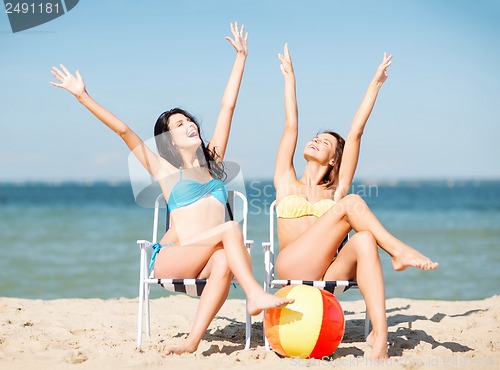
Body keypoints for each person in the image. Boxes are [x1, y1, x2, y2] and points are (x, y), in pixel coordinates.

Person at [50, 23, 293, 356]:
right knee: (228, 228)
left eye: (189, 120)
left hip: (207, 257)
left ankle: (192, 341)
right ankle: (254, 294)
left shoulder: (212, 162)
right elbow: (124, 131)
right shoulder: (165, 170)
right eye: (179, 124)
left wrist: (241, 58)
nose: (190, 124)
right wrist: (82, 96)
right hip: (173, 259)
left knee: (225, 259)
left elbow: (227, 108)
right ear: (169, 140)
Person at [273, 44, 439, 360]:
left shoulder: (337, 190)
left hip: (329, 272)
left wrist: (375, 83)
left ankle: (380, 339)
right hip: (292, 265)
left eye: (323, 142)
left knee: (363, 240)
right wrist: (289, 77)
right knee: (351, 203)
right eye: (315, 137)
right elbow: (291, 125)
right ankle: (398, 250)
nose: (314, 140)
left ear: (335, 158)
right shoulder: (286, 181)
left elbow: (356, 131)